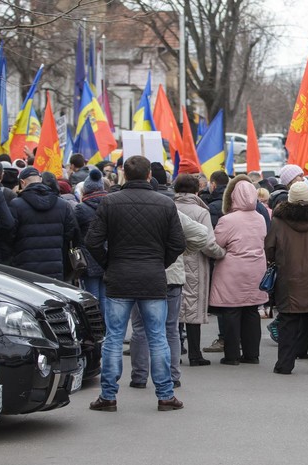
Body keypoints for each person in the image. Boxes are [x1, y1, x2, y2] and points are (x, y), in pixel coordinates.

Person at [85, 156, 186, 412]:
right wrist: (158, 262)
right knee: (158, 337)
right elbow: (178, 244)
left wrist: (109, 263)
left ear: (124, 175)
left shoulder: (110, 202)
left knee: (114, 338)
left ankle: (108, 396)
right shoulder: (165, 204)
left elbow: (93, 241)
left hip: (119, 276)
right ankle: (165, 395)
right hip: (152, 277)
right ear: (150, 175)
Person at [130, 211, 208, 390]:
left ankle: (139, 377)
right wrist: (182, 252)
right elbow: (201, 234)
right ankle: (172, 376)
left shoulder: (127, 208)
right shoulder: (170, 210)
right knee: (170, 329)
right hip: (171, 276)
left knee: (140, 328)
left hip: (139, 274)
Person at [266, 181, 308, 374]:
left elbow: (269, 248)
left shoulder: (278, 220)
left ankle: (284, 365)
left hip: (289, 280)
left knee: (288, 325)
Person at [209, 176, 268, 365]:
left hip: (232, 270)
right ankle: (252, 354)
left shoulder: (228, 220)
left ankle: (232, 355)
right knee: (251, 311)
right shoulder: (260, 218)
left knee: (232, 312)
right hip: (256, 268)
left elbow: (217, 244)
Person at [174, 174, 225, 366]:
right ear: (197, 190)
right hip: (196, 262)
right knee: (192, 312)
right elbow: (207, 242)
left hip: (172, 262)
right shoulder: (201, 211)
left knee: (174, 310)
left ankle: (175, 353)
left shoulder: (168, 206)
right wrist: (221, 253)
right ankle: (195, 355)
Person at [9, 167, 81, 280]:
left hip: (25, 267)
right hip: (55, 266)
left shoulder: (16, 205)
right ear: (40, 179)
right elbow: (71, 234)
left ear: (22, 182)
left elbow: (9, 235)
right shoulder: (63, 205)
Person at [74, 169, 108, 309]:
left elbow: (74, 232)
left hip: (88, 257)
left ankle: (96, 329)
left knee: (91, 296)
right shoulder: (111, 204)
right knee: (105, 297)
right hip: (107, 255)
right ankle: (107, 328)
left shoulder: (81, 209)